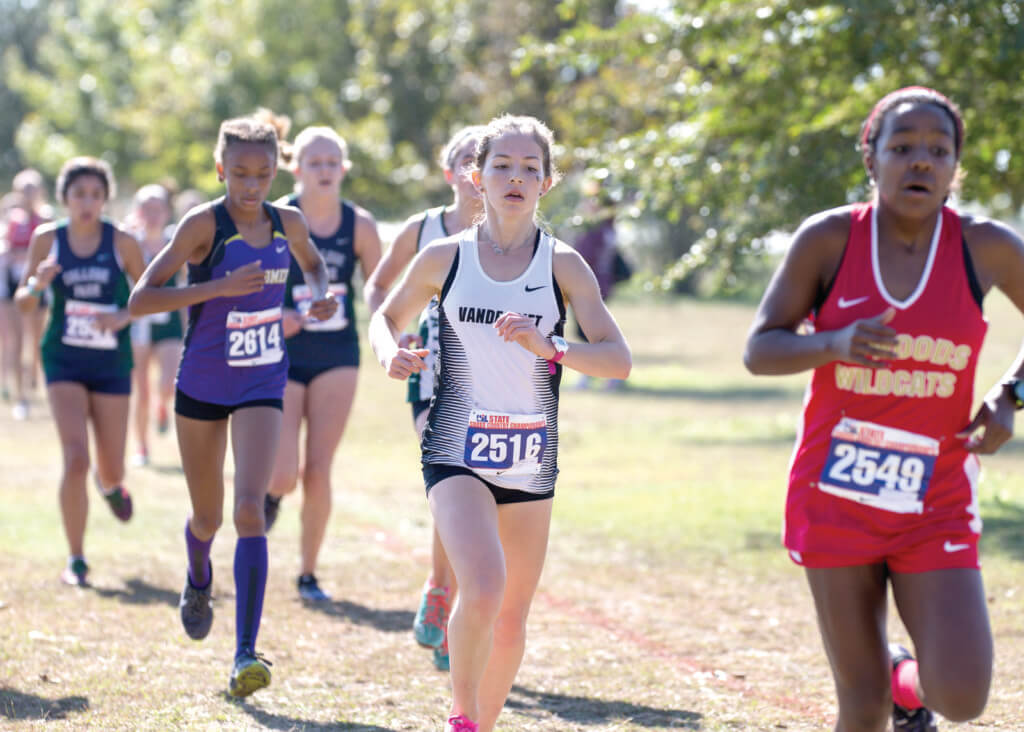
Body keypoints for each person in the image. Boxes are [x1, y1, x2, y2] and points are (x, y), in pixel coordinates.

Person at [743, 87, 1024, 731]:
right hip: (835, 490)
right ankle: (886, 688)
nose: (920, 162)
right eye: (901, 147)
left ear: (957, 167)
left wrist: (1011, 396)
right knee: (860, 708)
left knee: (961, 696)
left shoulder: (985, 247)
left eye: (938, 150)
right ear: (871, 158)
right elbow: (760, 350)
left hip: (937, 494)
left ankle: (910, 682)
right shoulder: (830, 238)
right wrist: (835, 343)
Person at [369, 114, 631, 732]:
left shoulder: (564, 266)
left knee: (512, 616)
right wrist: (392, 356)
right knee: (482, 589)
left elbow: (617, 360)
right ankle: (460, 716)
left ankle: (482, 725)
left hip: (530, 456)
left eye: (530, 169)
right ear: (475, 176)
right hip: (455, 446)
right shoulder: (444, 257)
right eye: (502, 166)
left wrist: (553, 349)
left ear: (547, 183)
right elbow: (385, 316)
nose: (516, 178)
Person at [127, 111, 337, 698]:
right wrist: (216, 287)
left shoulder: (287, 222)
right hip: (201, 384)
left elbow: (315, 266)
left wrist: (318, 298)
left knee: (250, 510)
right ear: (221, 169)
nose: (250, 187)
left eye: (262, 175)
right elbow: (143, 298)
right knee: (208, 518)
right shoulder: (203, 226)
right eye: (239, 174)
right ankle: (198, 575)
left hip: (262, 382)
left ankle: (246, 653)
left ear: (275, 173)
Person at [364, 124, 486, 672]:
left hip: (494, 381)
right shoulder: (424, 230)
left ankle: (443, 591)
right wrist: (395, 332)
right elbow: (378, 292)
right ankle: (445, 598)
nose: (471, 169)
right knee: (451, 478)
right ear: (449, 171)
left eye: (480, 159)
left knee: (474, 491)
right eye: (462, 158)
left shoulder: (509, 234)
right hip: (430, 372)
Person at [262, 124, 382, 602]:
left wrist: (394, 330)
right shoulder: (275, 217)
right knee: (284, 472)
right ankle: (271, 496)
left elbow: (380, 291)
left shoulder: (360, 225)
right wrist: (280, 316)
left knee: (319, 469)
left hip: (337, 356)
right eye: (315, 162)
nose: (325, 170)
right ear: (296, 169)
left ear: (344, 169)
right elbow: (249, 282)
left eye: (333, 163)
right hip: (283, 352)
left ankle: (308, 572)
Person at [14, 157, 146, 586]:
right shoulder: (47, 239)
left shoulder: (122, 242)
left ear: (105, 199)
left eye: (96, 195)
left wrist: (121, 317)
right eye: (78, 195)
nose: (87, 203)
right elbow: (24, 303)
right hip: (63, 359)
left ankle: (110, 489)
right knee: (75, 459)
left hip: (111, 363)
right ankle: (75, 558)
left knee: (111, 469)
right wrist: (37, 282)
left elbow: (150, 296)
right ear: (64, 198)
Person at [126, 184, 182, 465]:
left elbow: (186, 284)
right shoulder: (130, 243)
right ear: (138, 211)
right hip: (138, 324)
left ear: (166, 212)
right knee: (141, 390)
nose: (152, 215)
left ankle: (164, 406)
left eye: (157, 209)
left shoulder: (176, 243)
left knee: (169, 381)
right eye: (146, 209)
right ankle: (142, 447)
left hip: (169, 323)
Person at [2, 169, 53, 418]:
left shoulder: (45, 219)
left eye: (32, 189)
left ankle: (38, 386)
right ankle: (19, 396)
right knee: (15, 340)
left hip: (39, 286)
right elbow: (7, 250)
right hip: (13, 286)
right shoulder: (12, 220)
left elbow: (48, 252)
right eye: (24, 190)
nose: (28, 194)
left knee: (37, 341)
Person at [570, 177, 628, 391]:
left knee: (592, 337)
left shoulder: (595, 232)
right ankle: (602, 376)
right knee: (593, 336)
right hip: (601, 287)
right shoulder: (608, 229)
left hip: (590, 288)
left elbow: (582, 260)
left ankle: (601, 376)